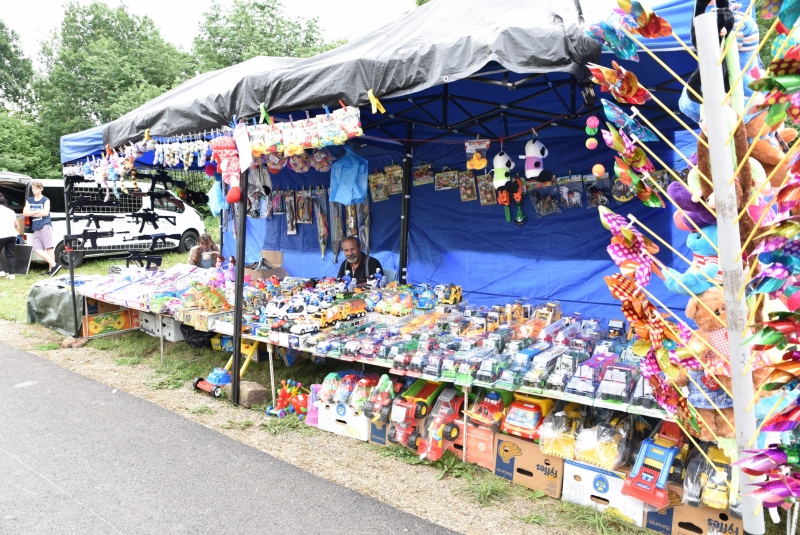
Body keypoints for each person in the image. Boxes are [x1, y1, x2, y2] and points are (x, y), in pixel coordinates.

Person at [23, 180, 60, 277]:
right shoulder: (29, 200)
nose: (34, 190)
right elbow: (25, 213)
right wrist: (37, 212)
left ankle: (51, 270)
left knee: (49, 248)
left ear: (41, 189)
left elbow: (45, 213)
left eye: (36, 188)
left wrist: (32, 212)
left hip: (45, 225)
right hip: (35, 226)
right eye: (33, 188)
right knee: (36, 248)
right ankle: (55, 265)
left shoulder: (45, 200)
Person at [0, 195, 22, 279]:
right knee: (10, 255)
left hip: (1, 235)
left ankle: (1, 271)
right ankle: (11, 274)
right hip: (12, 235)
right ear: (4, 202)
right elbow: (16, 224)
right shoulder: (11, 211)